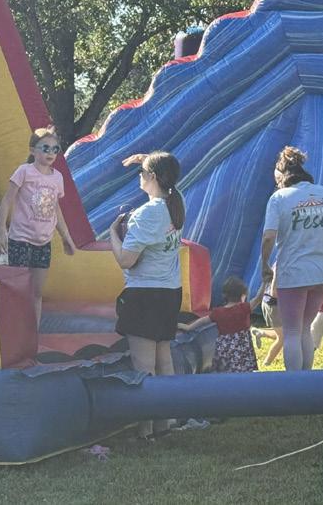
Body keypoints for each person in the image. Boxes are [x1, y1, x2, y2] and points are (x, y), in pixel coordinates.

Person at [109, 151, 184, 440]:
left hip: (144, 294)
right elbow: (167, 169)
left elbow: (126, 260)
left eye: (142, 172)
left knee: (143, 366)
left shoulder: (146, 214)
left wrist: (113, 234)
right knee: (164, 361)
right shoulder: (177, 201)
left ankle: (146, 429)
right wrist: (147, 157)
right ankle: (167, 422)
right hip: (169, 292)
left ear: (152, 177)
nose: (139, 177)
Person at [261, 147, 323, 371]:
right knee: (305, 328)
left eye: (277, 181)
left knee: (291, 331)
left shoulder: (279, 198)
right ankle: (306, 379)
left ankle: (294, 383)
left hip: (294, 272)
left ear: (282, 176)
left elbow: (269, 236)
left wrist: (264, 264)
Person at [0, 128, 77, 328]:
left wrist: (66, 236)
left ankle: (33, 331)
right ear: (33, 150)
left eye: (55, 149)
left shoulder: (57, 178)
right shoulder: (24, 172)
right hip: (21, 239)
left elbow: (55, 208)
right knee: (18, 289)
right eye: (45, 148)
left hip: (43, 241)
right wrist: (1, 232)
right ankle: (14, 329)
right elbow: (7, 201)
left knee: (37, 291)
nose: (51, 153)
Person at [178, 276, 264, 373]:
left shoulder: (219, 312)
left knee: (225, 372)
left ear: (225, 295)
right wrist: (265, 283)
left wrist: (188, 327)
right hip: (242, 348)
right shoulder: (243, 308)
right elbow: (258, 298)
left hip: (225, 348)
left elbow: (203, 320)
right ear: (242, 295)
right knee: (243, 371)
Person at [250, 267, 283, 366]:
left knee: (289, 333)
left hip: (273, 301)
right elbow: (274, 292)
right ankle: (267, 363)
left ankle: (261, 333)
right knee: (283, 337)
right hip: (273, 303)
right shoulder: (281, 263)